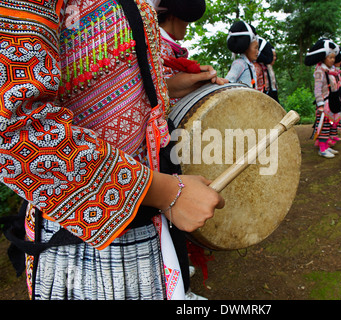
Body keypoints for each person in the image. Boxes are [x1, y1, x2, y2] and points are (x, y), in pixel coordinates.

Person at [0, 0, 225, 300]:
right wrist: (167, 192)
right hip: (86, 242)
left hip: (141, 223)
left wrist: (167, 88)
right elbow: (14, 131)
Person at [155, 0, 227, 300]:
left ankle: (177, 278)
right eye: (185, 21)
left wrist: (200, 82)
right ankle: (174, 287)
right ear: (173, 15)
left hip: (162, 136)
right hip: (152, 141)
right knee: (164, 213)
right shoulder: (155, 42)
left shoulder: (170, 48)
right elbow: (159, 88)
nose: (187, 27)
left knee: (169, 214)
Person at [305, 38, 341, 159]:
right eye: (330, 57)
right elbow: (318, 88)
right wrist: (320, 104)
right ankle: (322, 148)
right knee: (323, 126)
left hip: (332, 102)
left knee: (330, 125)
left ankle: (326, 146)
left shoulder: (332, 71)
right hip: (324, 103)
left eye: (333, 57)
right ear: (324, 58)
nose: (332, 60)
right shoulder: (320, 71)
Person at [225, 20, 259, 88]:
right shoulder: (239, 64)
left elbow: (251, 83)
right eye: (255, 48)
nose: (257, 52)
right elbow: (228, 81)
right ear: (247, 48)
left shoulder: (250, 66)